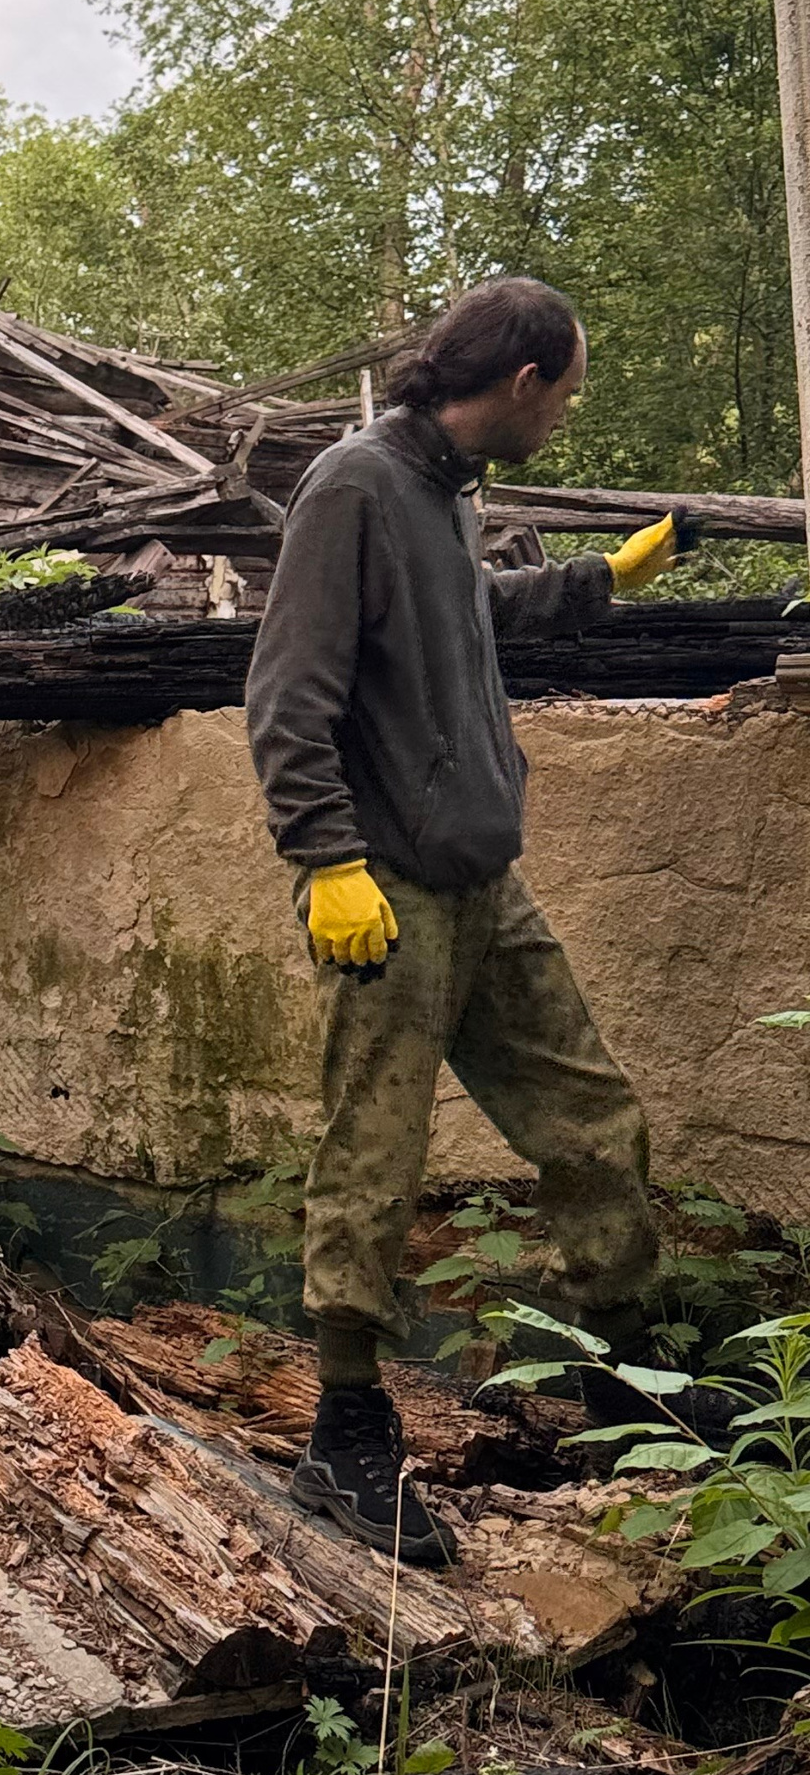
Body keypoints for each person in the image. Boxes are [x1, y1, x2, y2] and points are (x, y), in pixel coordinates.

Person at [244, 277, 685, 1566]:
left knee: (595, 1121)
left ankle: (620, 1386)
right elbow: (286, 693)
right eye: (567, 394)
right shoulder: (354, 486)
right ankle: (345, 1433)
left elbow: (467, 620)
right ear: (523, 379)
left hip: (488, 883)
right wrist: (327, 859)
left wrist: (600, 579)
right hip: (387, 890)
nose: (566, 417)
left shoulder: (443, 494)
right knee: (375, 1156)